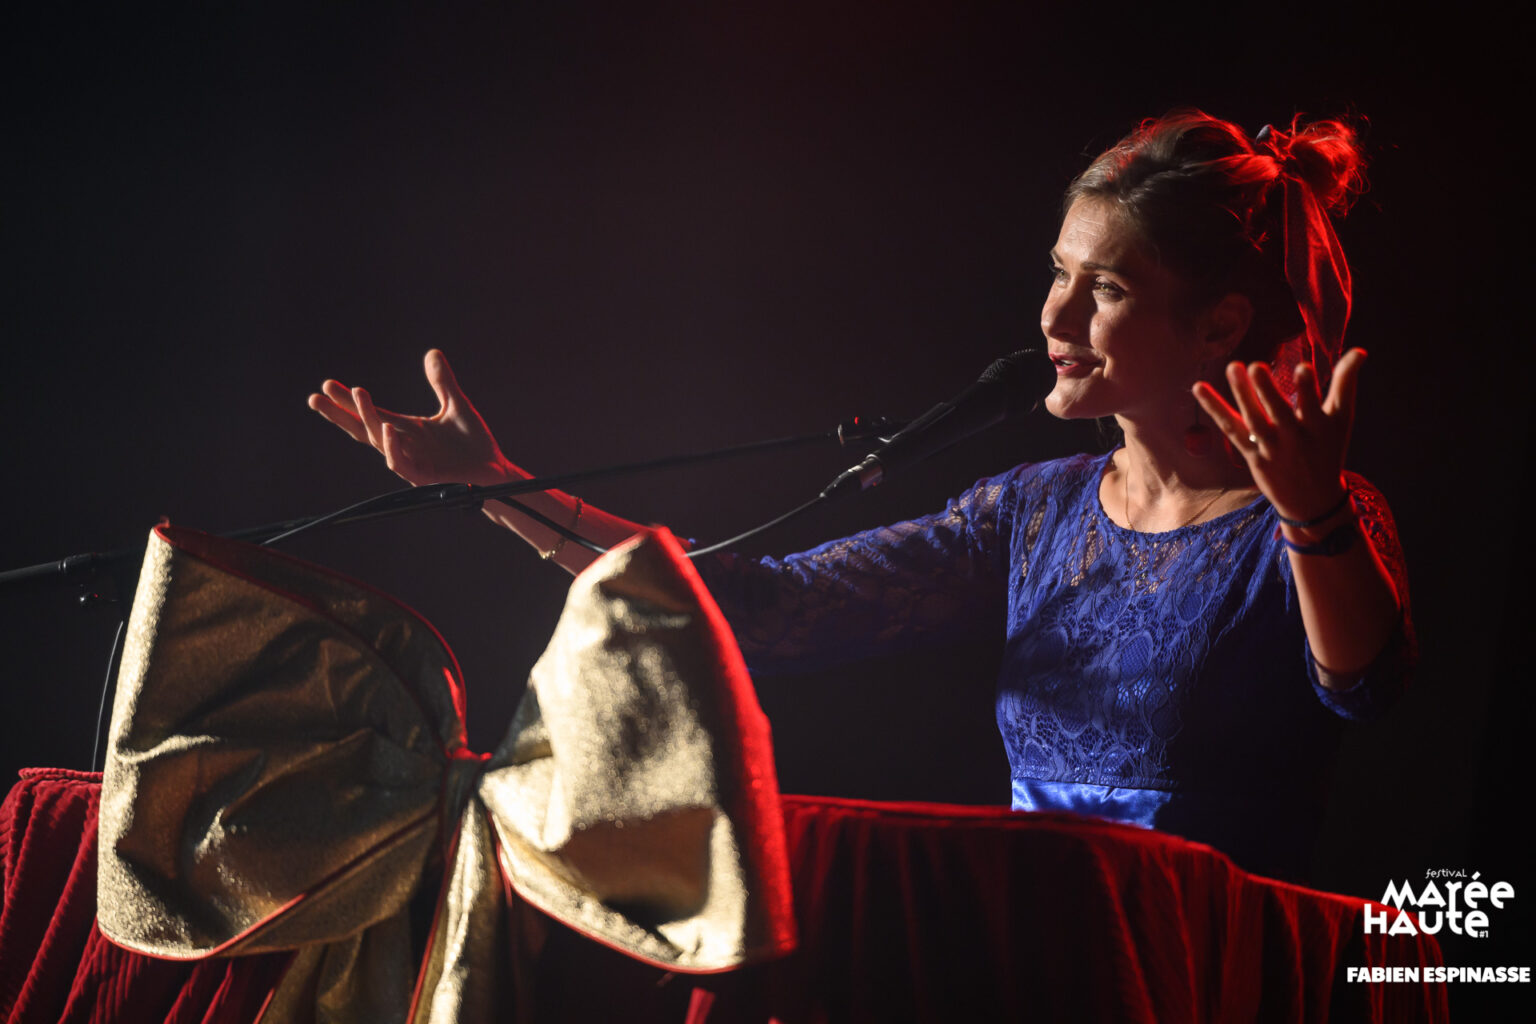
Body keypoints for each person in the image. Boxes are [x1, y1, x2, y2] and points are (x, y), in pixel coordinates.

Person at [309, 111, 1411, 881]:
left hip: (1202, 958)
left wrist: (1311, 516)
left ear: (1220, 326)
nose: (1055, 317)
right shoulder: (1033, 511)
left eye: (1107, 286)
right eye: (1058, 272)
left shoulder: (1310, 517)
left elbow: (1365, 687)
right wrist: (495, 486)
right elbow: (767, 608)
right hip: (1043, 944)